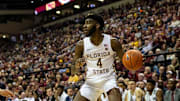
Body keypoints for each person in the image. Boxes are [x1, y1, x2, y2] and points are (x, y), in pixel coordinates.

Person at [72, 14, 123, 101]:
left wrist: (134, 62)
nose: (84, 26)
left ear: (97, 25)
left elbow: (124, 60)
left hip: (108, 80)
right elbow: (73, 69)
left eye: (88, 23)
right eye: (84, 23)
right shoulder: (81, 45)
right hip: (91, 83)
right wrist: (77, 65)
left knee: (115, 95)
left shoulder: (113, 42)